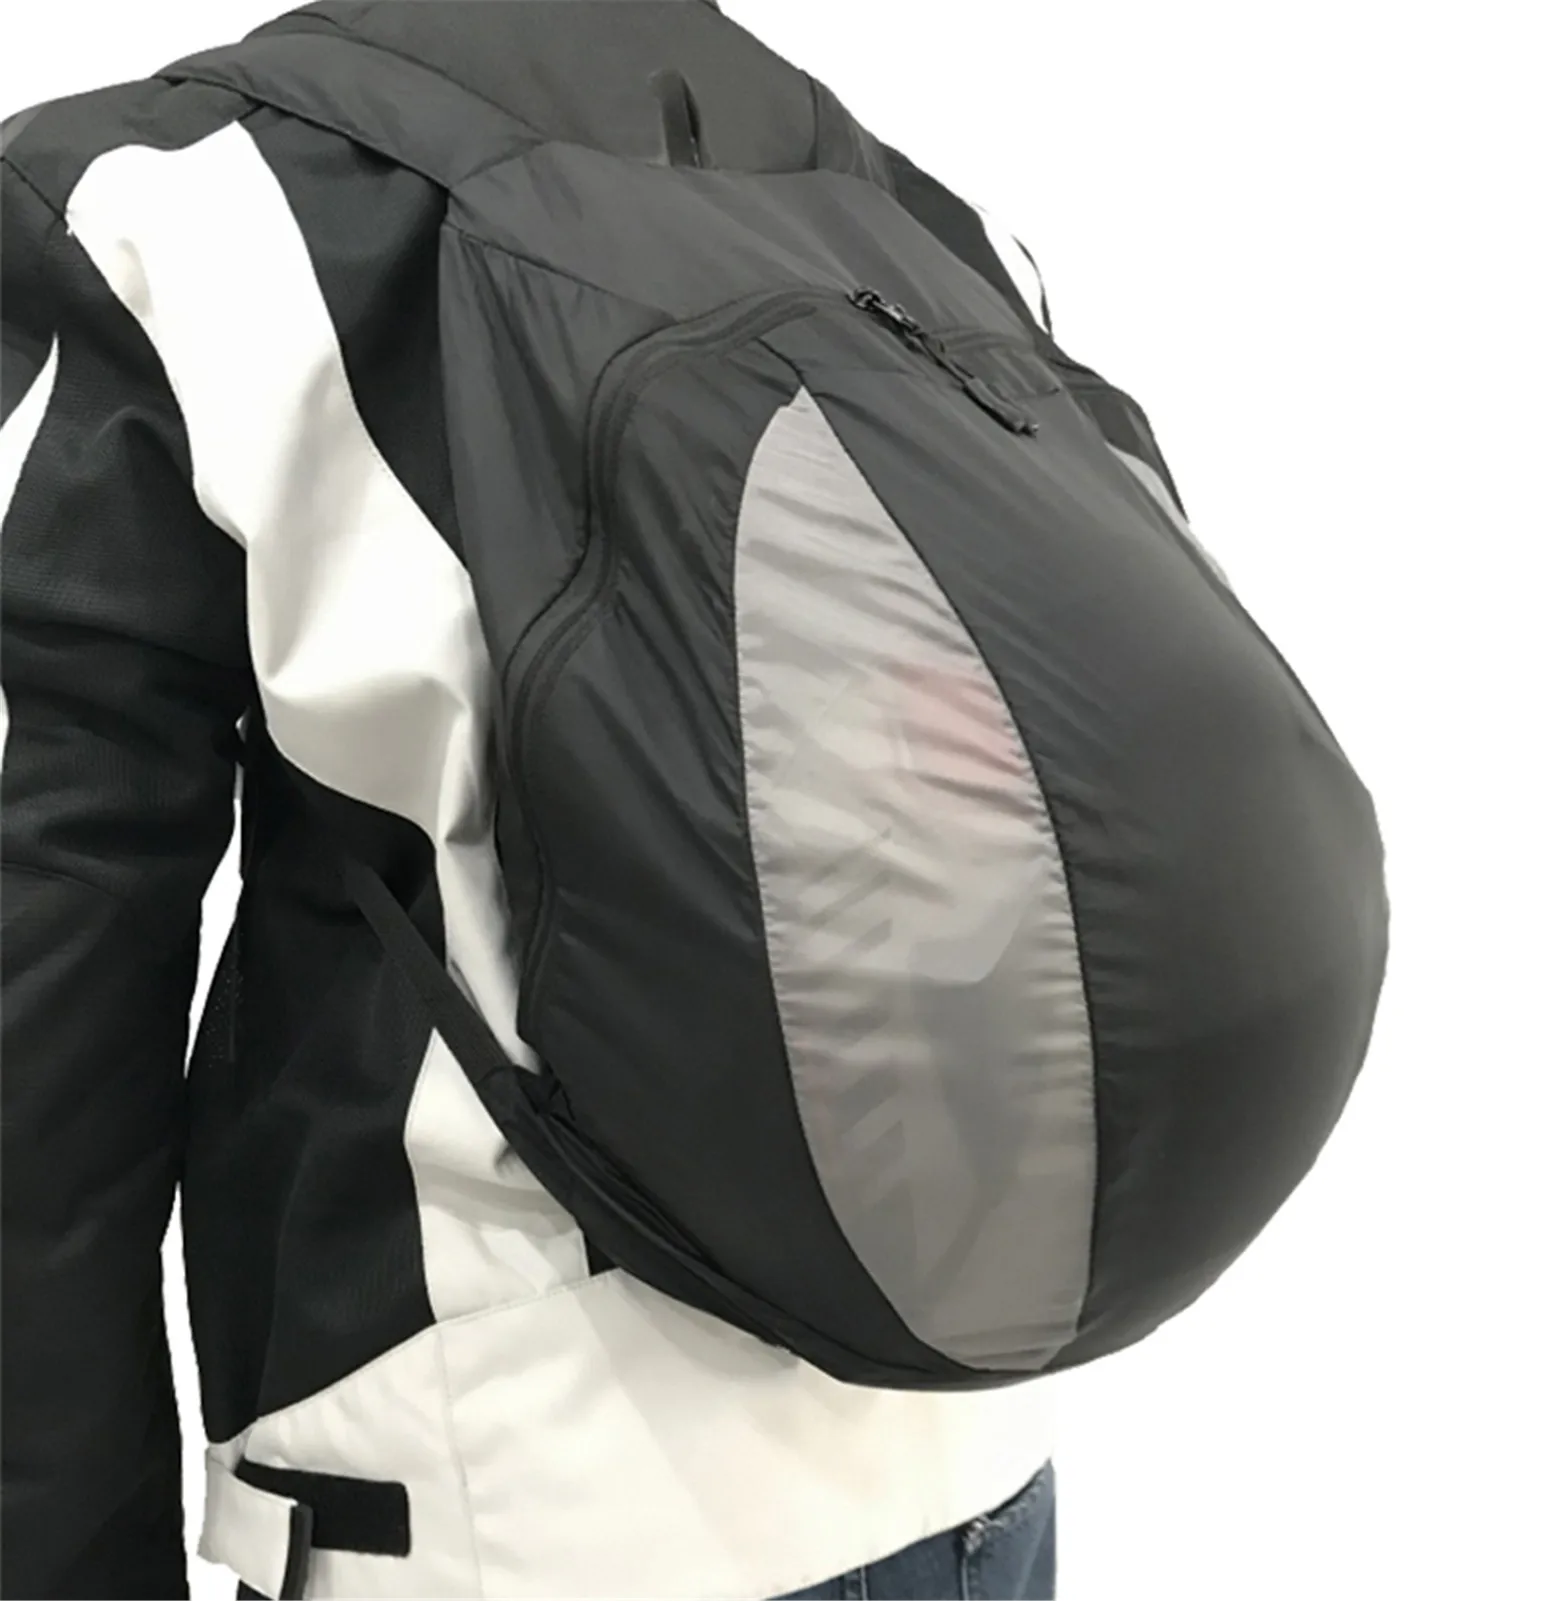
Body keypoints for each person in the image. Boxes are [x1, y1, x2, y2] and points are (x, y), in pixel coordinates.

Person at [1, 3, 1071, 1597]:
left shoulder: (156, 207)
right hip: (966, 1464)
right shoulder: (923, 218)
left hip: (501, 1505)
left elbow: (44, 1010)